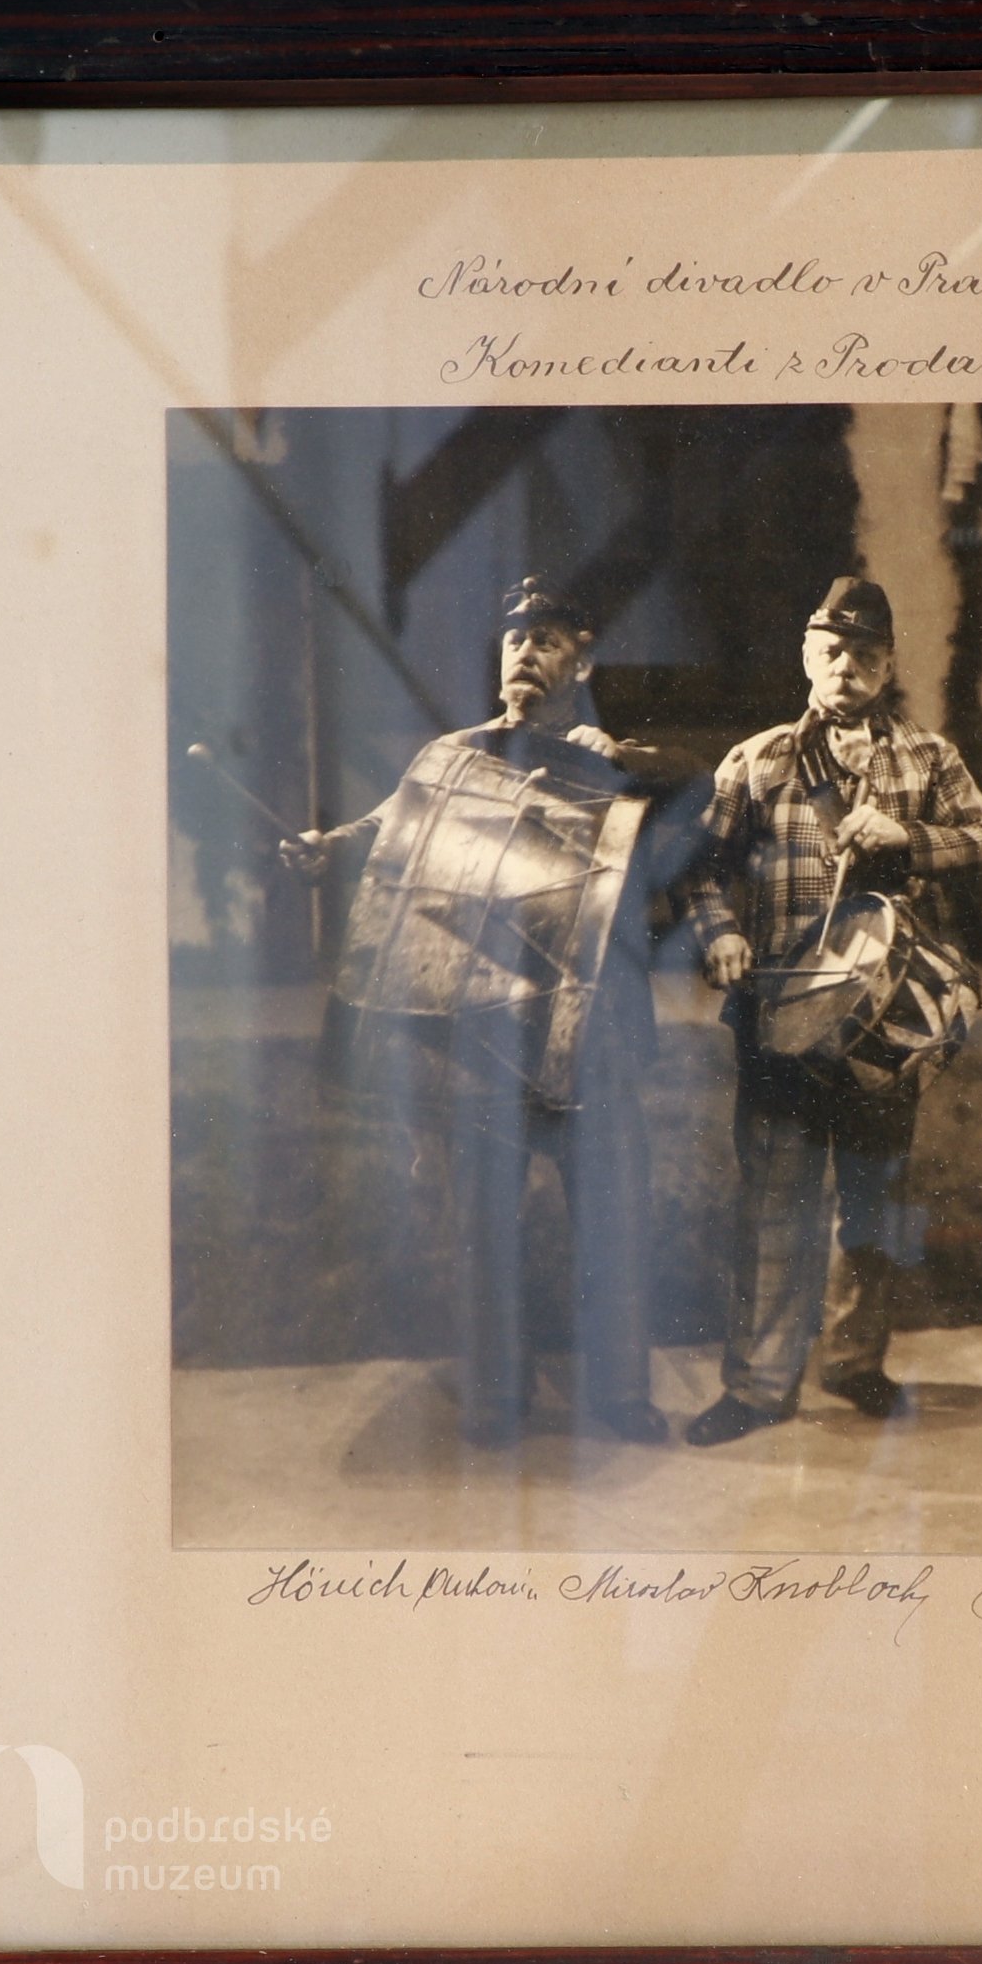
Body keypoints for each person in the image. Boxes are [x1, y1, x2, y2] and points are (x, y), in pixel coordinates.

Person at [281, 575, 686, 1450]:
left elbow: (692, 801)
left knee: (612, 1211)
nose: (525, 654)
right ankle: (497, 1393)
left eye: (546, 640)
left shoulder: (612, 762)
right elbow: (388, 828)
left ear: (583, 661)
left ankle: (619, 1391)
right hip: (482, 1027)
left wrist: (616, 755)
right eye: (514, 640)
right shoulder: (453, 756)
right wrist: (329, 848)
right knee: (482, 1217)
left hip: (591, 1031)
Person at [678, 575, 982, 1449]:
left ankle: (857, 1362)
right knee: (773, 1203)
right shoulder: (757, 761)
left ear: (888, 664)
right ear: (806, 654)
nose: (846, 667)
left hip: (883, 1021)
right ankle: (757, 1383)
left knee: (873, 1196)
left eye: (865, 654)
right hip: (779, 1019)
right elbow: (701, 869)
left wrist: (910, 839)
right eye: (830, 650)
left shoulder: (929, 757)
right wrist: (720, 934)